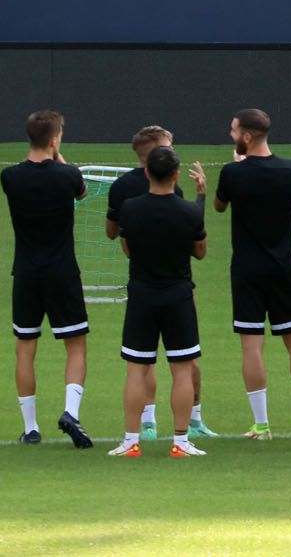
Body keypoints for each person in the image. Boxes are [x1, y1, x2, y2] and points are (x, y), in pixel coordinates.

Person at [102, 125, 212, 441]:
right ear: (175, 174)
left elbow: (123, 243)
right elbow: (198, 249)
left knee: (137, 367)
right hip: (178, 291)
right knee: (183, 366)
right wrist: (200, 199)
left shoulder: (129, 207)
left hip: (142, 291)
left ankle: (134, 437)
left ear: (148, 171)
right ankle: (184, 436)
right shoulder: (186, 209)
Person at [0, 110, 92, 449]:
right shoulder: (68, 175)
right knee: (76, 346)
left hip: (25, 272)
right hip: (63, 271)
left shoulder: (10, 177)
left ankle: (31, 427)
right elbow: (81, 193)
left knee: (26, 348)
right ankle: (70, 412)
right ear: (54, 139)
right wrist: (59, 156)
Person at [213, 108, 291, 442]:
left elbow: (219, 206)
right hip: (283, 267)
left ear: (247, 137)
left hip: (247, 270)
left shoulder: (231, 173)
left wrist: (237, 170)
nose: (231, 134)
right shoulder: (290, 169)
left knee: (252, 347)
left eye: (234, 130)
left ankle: (261, 425)